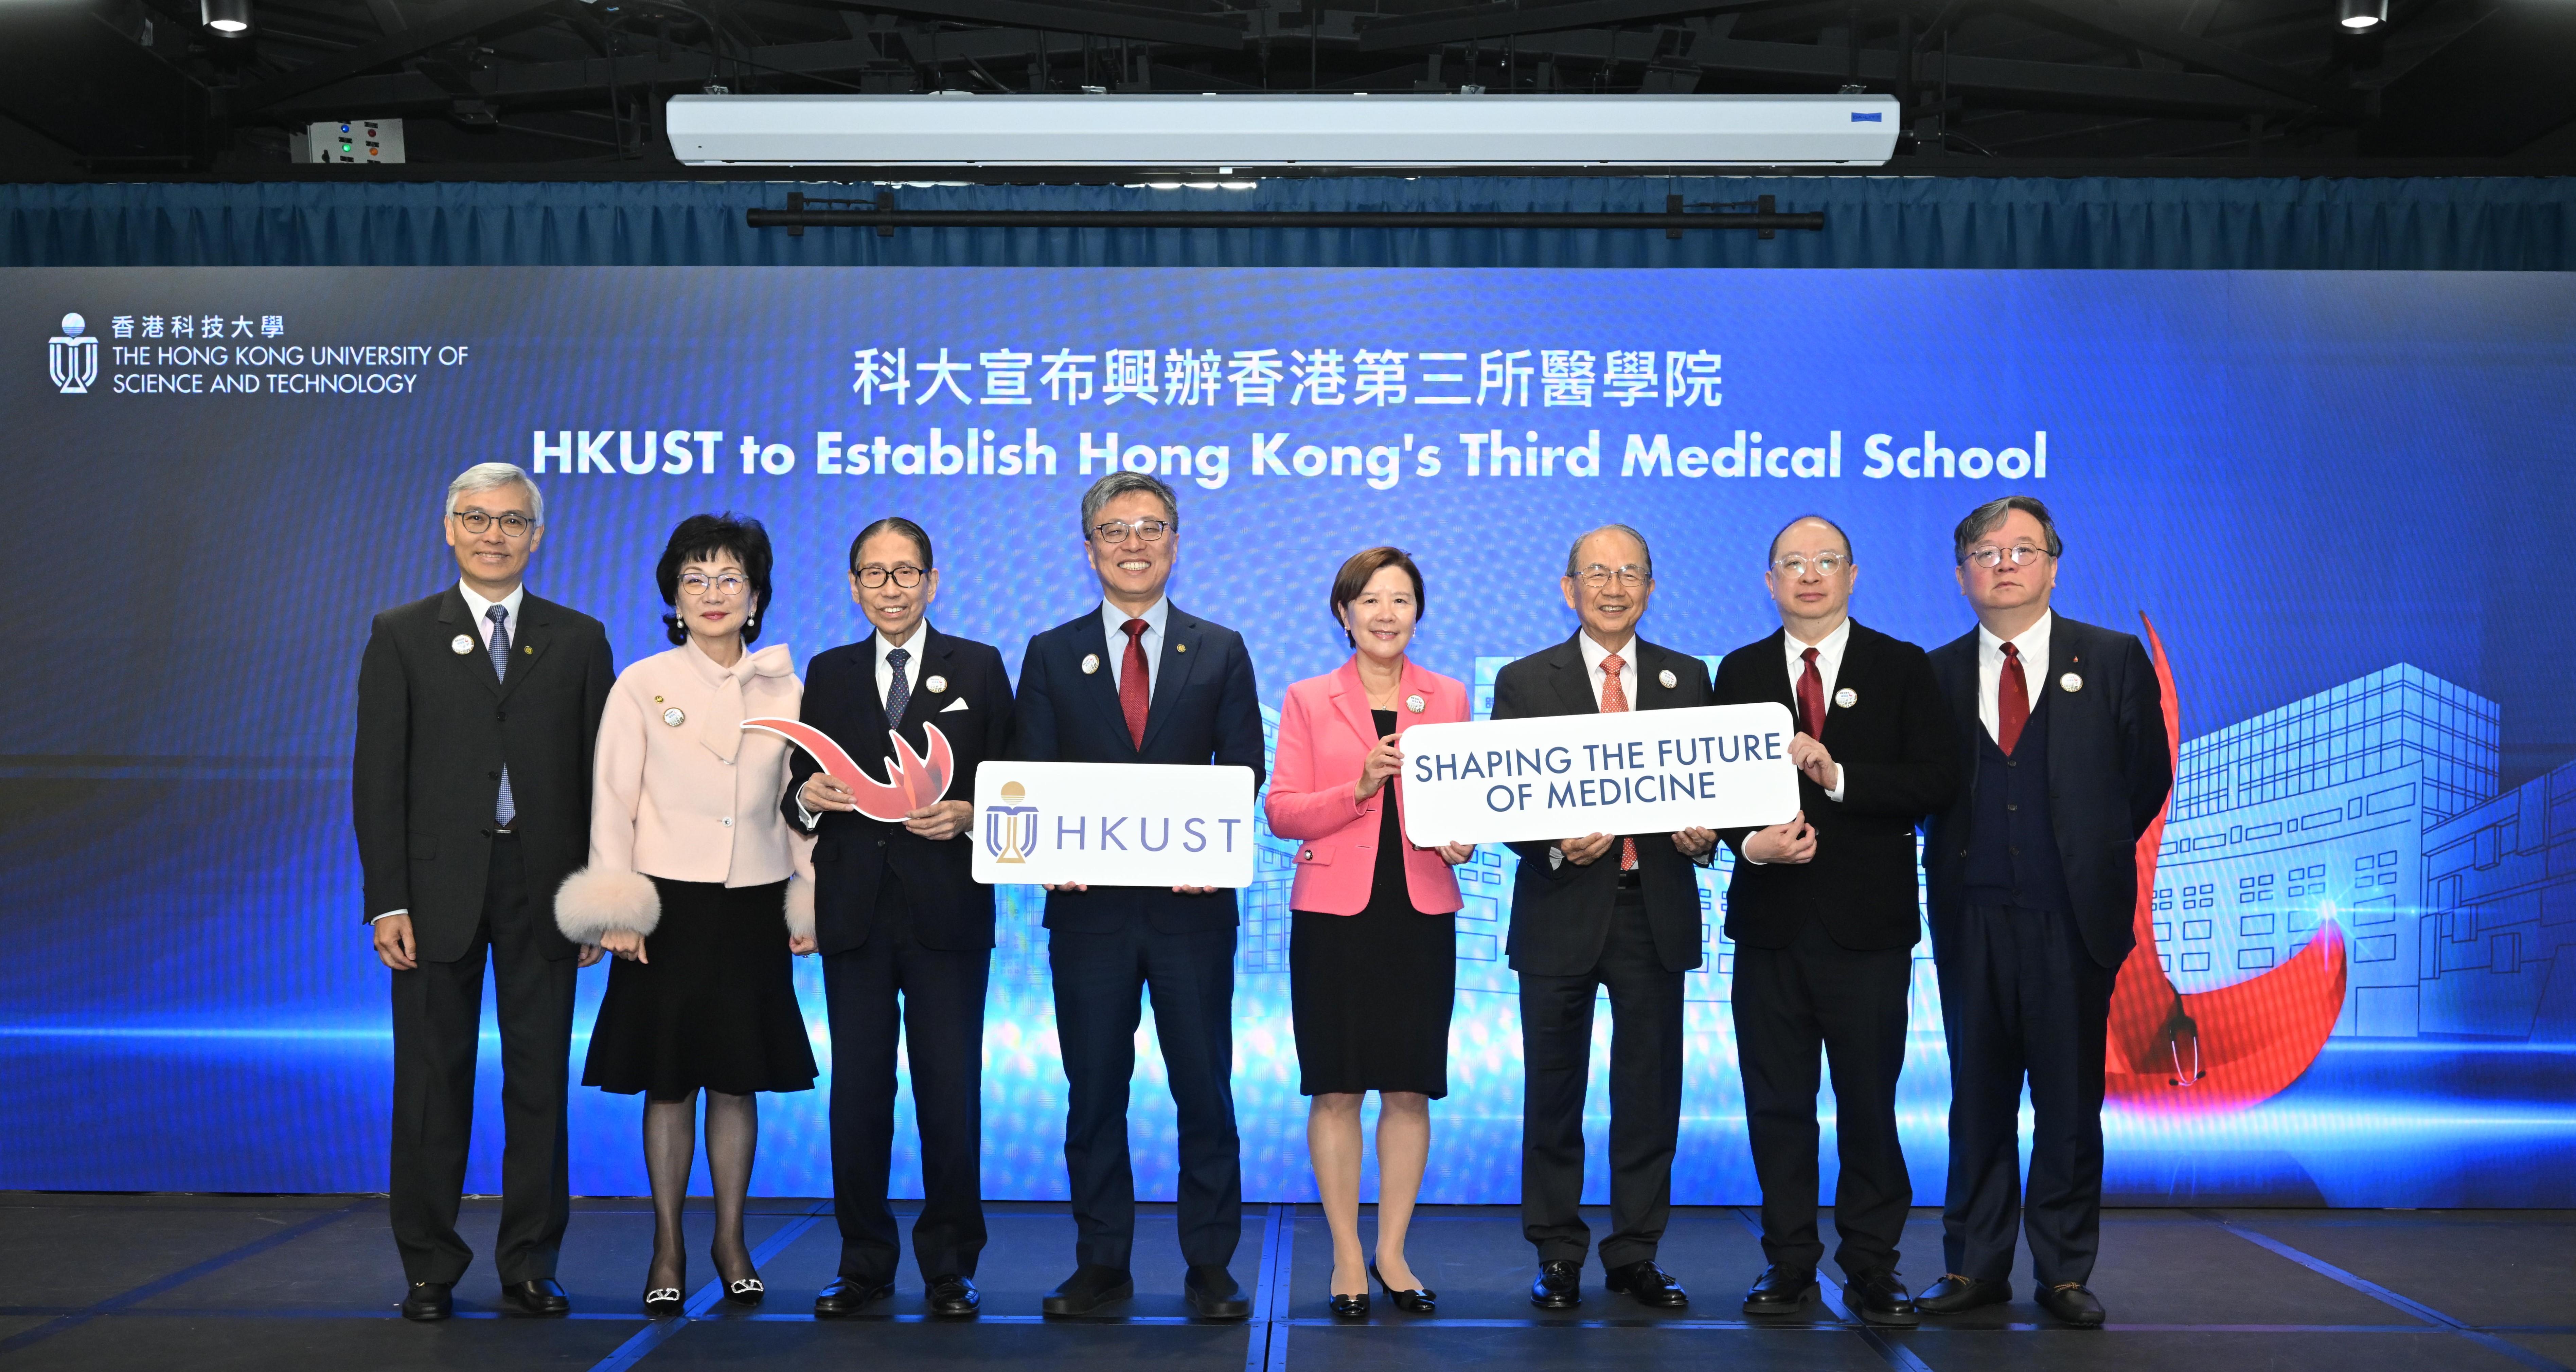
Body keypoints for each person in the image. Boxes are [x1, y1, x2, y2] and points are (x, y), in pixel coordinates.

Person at [354, 463, 615, 1322]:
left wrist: (597, 896)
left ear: (537, 536)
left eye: (511, 521)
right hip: (433, 895)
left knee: (539, 1081)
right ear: (448, 527)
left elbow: (599, 782)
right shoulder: (400, 634)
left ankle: (531, 1262)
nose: (493, 535)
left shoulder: (578, 639)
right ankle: (430, 1265)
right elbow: (377, 778)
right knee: (432, 1081)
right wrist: (387, 899)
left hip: (546, 888)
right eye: (476, 518)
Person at [1013, 470, 1265, 1320]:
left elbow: (1242, 770)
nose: (1133, 543)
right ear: (1088, 549)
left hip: (1193, 911)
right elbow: (1033, 773)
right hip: (1089, 913)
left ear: (1176, 543)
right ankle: (1101, 1265)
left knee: (1205, 1089)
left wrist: (1219, 846)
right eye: (1114, 530)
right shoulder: (1051, 651)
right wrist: (1048, 848)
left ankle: (1211, 1269)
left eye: (1150, 528)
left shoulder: (1220, 647)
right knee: (1094, 1091)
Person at [553, 513, 819, 1317]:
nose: (712, 593)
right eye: (695, 579)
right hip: (665, 908)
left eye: (729, 579)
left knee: (738, 1082)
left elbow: (805, 803)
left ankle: (731, 1239)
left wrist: (806, 896)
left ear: (756, 595)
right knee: (668, 1085)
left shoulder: (789, 686)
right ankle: (667, 1244)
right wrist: (617, 908)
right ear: (673, 594)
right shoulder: (642, 682)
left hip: (753, 905)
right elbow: (612, 801)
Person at [1915, 496, 2170, 1328]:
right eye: (1986, 553)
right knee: (1978, 1097)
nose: (2005, 564)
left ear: (2053, 566)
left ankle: (2063, 1271)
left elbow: (2144, 779)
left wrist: (2082, 851)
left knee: (2068, 1100)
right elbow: (1923, 791)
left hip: (2074, 919)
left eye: (2023, 549)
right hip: (1972, 913)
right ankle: (1975, 1266)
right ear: (1962, 577)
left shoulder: (2112, 657)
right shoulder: (1937, 671)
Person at [1711, 516, 1959, 1326]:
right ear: (1769, 581)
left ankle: (1872, 1267)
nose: (1809, 575)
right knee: (1777, 1104)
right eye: (1792, 563)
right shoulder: (1740, 671)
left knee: (1868, 1104)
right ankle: (1787, 1265)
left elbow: (1934, 781)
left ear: (1853, 574)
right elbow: (1707, 800)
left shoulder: (1902, 666)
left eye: (1825, 562)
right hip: (1771, 928)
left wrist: (1839, 773)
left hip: (1869, 929)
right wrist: (1750, 845)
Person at [787, 517, 1015, 1320]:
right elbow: (799, 781)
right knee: (859, 1094)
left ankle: (951, 1264)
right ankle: (863, 1263)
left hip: (947, 910)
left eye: (906, 572)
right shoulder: (830, 670)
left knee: (950, 1093)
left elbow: (1015, 781)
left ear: (933, 579)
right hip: (853, 910)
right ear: (853, 586)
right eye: (875, 575)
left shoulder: (979, 667)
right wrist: (805, 797)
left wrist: (969, 813)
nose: (892, 588)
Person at [1490, 524, 1717, 1311]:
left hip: (1652, 912)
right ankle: (1556, 1250)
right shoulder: (1526, 681)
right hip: (1560, 908)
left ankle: (1635, 1253)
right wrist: (1555, 841)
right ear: (1568, 588)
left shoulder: (1689, 679)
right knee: (1553, 1092)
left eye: (1630, 574)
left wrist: (1704, 835)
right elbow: (1505, 799)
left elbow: (1711, 792)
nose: (1614, 587)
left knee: (1649, 1091)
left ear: (1651, 589)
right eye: (1598, 573)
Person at [1265, 547, 1476, 1319]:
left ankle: (1393, 1252)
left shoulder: (1448, 695)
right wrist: (1358, 785)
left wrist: (1465, 836)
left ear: (1419, 611)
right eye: (1371, 600)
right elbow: (1282, 811)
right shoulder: (1309, 698)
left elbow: (1468, 803)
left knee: (1410, 1086)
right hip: (1333, 915)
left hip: (1419, 909)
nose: (1387, 614)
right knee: (1337, 1085)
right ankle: (1347, 1258)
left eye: (1402, 600)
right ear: (1344, 613)